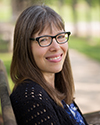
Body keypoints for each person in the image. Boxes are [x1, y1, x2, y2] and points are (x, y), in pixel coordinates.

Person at [10, 5, 88, 125]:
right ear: (25, 46)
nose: (56, 47)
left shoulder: (54, 87)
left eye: (60, 36)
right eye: (44, 39)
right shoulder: (33, 101)